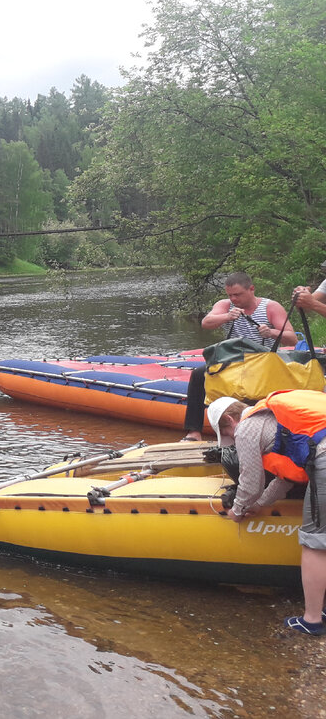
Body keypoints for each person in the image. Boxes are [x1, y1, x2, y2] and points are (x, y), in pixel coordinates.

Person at [210, 394, 326, 636]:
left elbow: (251, 481)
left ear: (231, 420)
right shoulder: (274, 421)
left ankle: (312, 621)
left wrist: (238, 509)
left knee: (314, 543)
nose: (232, 440)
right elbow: (286, 478)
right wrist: (260, 504)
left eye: (228, 435)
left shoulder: (247, 428)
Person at [180, 272, 296, 441]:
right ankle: (193, 431)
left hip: (262, 362)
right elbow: (206, 323)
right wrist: (227, 316)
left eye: (238, 294)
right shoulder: (225, 305)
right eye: (230, 295)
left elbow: (292, 338)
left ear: (251, 289)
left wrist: (271, 332)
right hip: (232, 361)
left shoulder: (270, 307)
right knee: (199, 374)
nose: (234, 299)